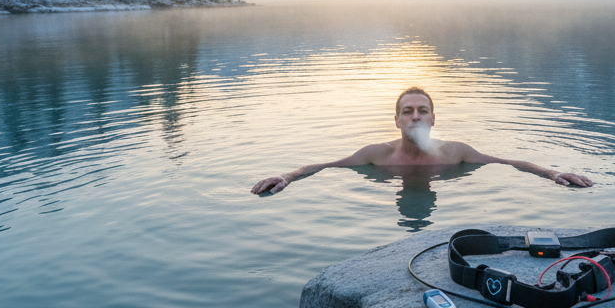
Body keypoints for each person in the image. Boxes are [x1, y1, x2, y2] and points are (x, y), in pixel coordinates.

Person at [251, 87, 594, 195]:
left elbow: (508, 164)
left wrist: (551, 174)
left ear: (433, 118)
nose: (415, 116)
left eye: (422, 111)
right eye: (408, 111)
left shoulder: (454, 153)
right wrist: (289, 176)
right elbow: (326, 165)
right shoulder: (378, 155)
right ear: (397, 119)